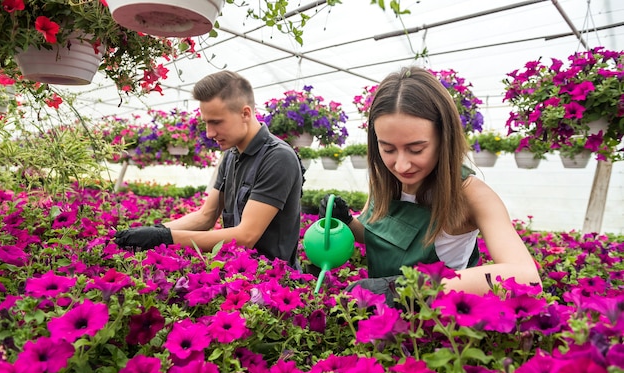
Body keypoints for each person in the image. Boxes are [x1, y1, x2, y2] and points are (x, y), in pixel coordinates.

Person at [320, 66, 541, 302]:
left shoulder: (470, 194)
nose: (402, 165)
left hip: (433, 331)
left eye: (416, 149)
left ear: (443, 139)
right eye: (388, 149)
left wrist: (409, 289)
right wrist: (347, 221)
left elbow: (526, 276)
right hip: (377, 327)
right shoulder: (386, 180)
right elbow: (378, 235)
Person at [115, 70, 304, 268]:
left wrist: (165, 237)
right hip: (240, 274)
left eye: (216, 122)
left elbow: (246, 236)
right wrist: (152, 231)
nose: (209, 133)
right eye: (206, 122)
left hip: (273, 283)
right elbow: (206, 216)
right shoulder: (231, 156)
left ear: (245, 113)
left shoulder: (278, 157)